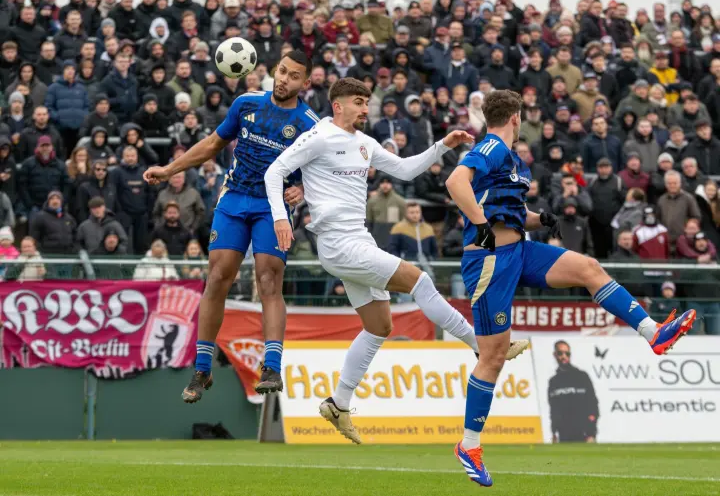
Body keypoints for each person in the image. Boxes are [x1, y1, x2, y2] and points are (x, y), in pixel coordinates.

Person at [443, 89, 696, 487]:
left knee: (589, 267)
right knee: (492, 357)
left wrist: (539, 218)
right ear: (516, 118)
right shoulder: (491, 145)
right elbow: (456, 181)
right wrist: (478, 224)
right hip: (489, 260)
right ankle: (469, 444)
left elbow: (503, 211)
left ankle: (654, 333)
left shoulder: (508, 158)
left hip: (519, 250)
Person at [264, 78, 529, 445]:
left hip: (356, 240)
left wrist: (441, 146)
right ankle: (478, 344)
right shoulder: (319, 136)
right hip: (339, 243)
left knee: (379, 325)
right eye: (358, 102)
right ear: (337, 105)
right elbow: (274, 171)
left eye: (366, 102)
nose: (364, 108)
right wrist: (280, 216)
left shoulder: (363, 143)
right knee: (419, 280)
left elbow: (404, 170)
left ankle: (338, 403)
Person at [143, 51, 319, 402]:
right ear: (274, 71)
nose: (285, 79)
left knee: (268, 279)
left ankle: (271, 365)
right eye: (282, 71)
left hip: (273, 207)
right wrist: (169, 170)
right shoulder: (245, 104)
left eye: (294, 75)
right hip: (235, 198)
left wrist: (306, 188)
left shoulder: (311, 124)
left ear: (305, 83)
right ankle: (202, 368)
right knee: (218, 277)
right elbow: (211, 145)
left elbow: (326, 171)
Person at [547, 340, 599, 443]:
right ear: (555, 355)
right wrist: (554, 432)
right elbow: (554, 410)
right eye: (560, 353)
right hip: (564, 433)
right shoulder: (553, 381)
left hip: (584, 431)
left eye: (567, 353)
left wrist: (591, 432)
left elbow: (593, 403)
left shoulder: (581, 376)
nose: (564, 356)